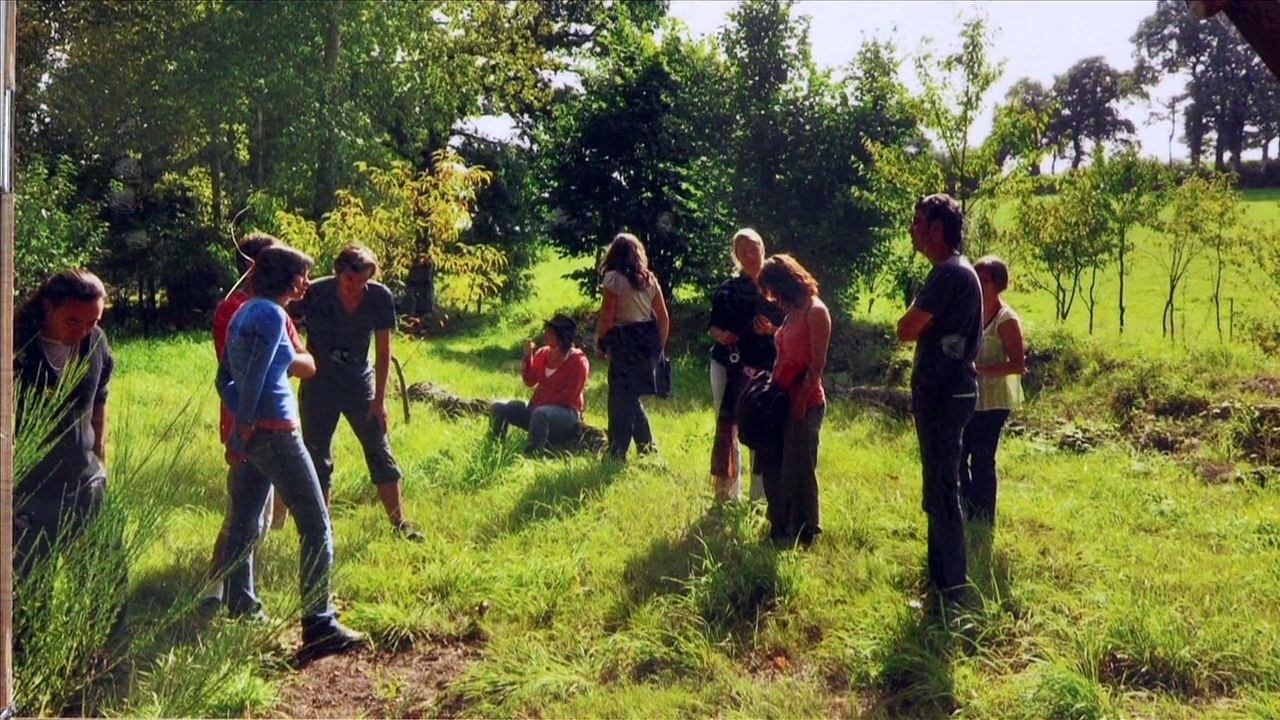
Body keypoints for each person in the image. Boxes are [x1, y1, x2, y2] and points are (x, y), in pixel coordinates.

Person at [216, 244, 365, 660]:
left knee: (244, 523)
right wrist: (245, 426)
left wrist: (242, 425)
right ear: (286, 278)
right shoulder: (270, 314)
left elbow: (223, 378)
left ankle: (241, 607)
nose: (306, 282)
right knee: (316, 526)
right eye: (302, 275)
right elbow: (258, 376)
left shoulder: (242, 311)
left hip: (256, 435)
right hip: (277, 434)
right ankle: (319, 623)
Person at [13, 269, 125, 656]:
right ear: (49, 307)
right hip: (28, 491)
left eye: (93, 320)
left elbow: (99, 401)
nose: (82, 330)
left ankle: (98, 662)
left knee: (100, 578)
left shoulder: (95, 343)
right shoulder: (16, 347)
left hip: (84, 480)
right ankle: (28, 670)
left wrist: (100, 459)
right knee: (29, 590)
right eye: (73, 320)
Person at [200, 232, 310, 612]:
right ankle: (214, 590)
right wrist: (241, 428)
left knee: (252, 517)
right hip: (254, 424)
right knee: (247, 518)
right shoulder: (249, 311)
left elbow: (305, 361)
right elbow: (257, 370)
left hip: (254, 420)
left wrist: (284, 359)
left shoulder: (260, 311)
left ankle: (239, 599)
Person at [292, 245, 422, 541]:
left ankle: (399, 523)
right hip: (319, 381)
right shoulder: (316, 292)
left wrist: (379, 400)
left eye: (362, 281)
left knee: (378, 448)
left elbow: (384, 350)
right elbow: (288, 326)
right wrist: (300, 358)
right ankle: (321, 530)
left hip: (358, 381)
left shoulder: (378, 297)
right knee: (316, 455)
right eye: (350, 280)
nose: (356, 287)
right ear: (339, 274)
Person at [896, 193, 983, 604]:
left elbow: (906, 328)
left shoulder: (948, 274)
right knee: (938, 487)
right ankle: (940, 585)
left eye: (917, 222)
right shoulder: (954, 271)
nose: (912, 230)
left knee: (944, 489)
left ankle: (952, 592)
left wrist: (914, 314)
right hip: (948, 391)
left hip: (945, 394)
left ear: (936, 228)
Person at [756, 254, 830, 545]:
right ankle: (780, 523)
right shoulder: (793, 312)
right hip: (779, 400)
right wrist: (773, 332)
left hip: (805, 402)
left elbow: (816, 363)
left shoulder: (816, 311)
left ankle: (805, 529)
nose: (773, 298)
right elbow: (791, 344)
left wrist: (800, 403)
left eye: (775, 290)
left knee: (799, 467)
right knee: (774, 463)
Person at [708, 229, 785, 502]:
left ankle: (759, 499)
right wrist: (722, 335)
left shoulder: (779, 288)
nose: (751, 255)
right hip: (728, 366)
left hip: (767, 368)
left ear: (763, 248)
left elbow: (793, 328)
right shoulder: (727, 290)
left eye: (755, 249)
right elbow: (713, 327)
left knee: (760, 429)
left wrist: (772, 330)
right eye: (744, 251)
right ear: (737, 256)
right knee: (729, 427)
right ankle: (728, 496)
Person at [960, 256, 1025, 525]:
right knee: (960, 455)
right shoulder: (968, 312)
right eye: (975, 277)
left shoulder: (1006, 319)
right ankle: (965, 509)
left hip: (994, 401)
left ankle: (984, 516)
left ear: (998, 284)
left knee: (983, 458)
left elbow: (1018, 365)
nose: (978, 283)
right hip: (967, 397)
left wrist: (980, 370)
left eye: (984, 279)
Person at [594, 233, 670, 461]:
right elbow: (664, 318)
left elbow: (608, 316)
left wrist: (600, 340)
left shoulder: (614, 279)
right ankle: (647, 447)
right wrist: (658, 349)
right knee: (631, 395)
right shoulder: (649, 280)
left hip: (624, 341)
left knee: (619, 398)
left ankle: (617, 451)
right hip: (645, 342)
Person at [490, 314, 590, 454]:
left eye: (550, 332)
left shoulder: (578, 361)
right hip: (538, 407)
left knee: (540, 414)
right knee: (499, 407)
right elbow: (530, 381)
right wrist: (528, 356)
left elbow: (569, 396)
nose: (545, 334)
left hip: (567, 412)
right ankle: (495, 448)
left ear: (562, 337)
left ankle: (533, 454)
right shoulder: (543, 353)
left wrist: (541, 403)